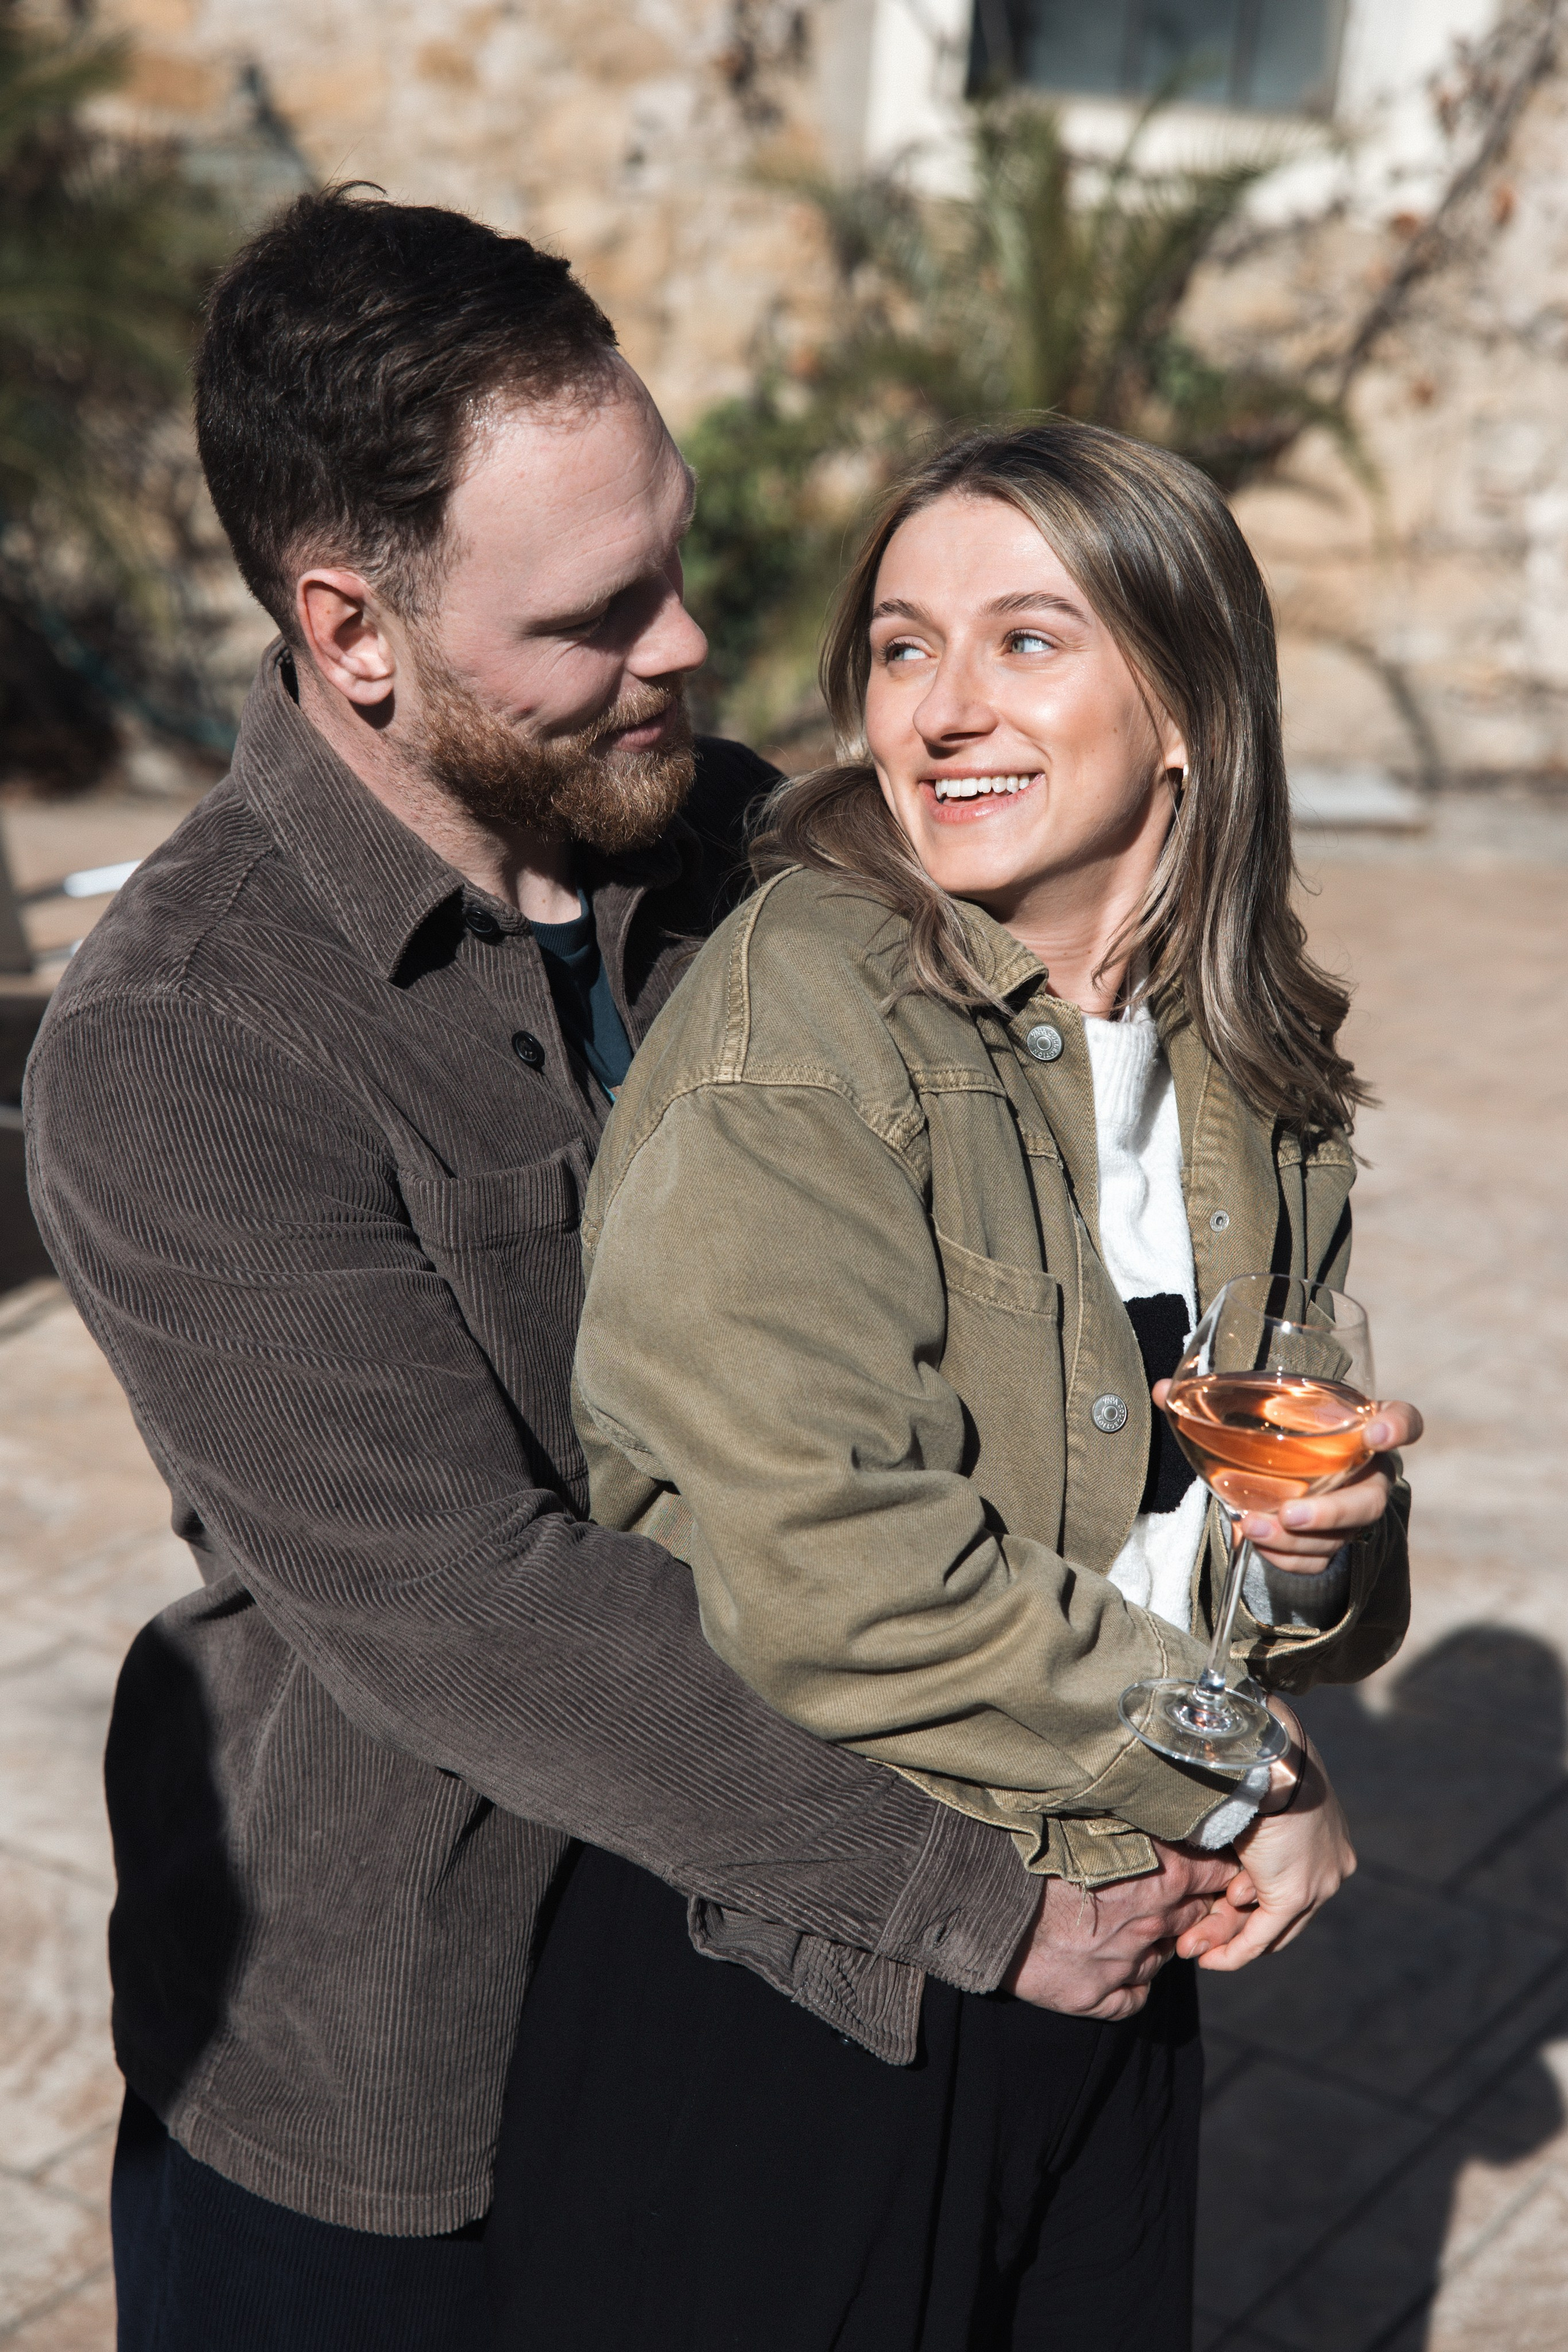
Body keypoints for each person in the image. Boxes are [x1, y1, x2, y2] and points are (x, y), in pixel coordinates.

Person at [24, 197, 1246, 2351]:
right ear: (353, 630)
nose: (683, 644)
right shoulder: (189, 1040)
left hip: (765, 2033)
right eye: (596, 616)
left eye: (672, 561)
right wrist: (984, 1891)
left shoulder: (751, 859)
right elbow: (462, 1601)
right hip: (409, 2070)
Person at [486, 420, 1420, 2350]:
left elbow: (1279, 1562)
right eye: (903, 647)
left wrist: (1322, 1560)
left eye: (1026, 641)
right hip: (815, 1982)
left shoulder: (1253, 1066)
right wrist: (1245, 1775)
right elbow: (831, 1561)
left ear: (1187, 703)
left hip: (1117, 1939)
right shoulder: (804, 1030)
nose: (942, 709)